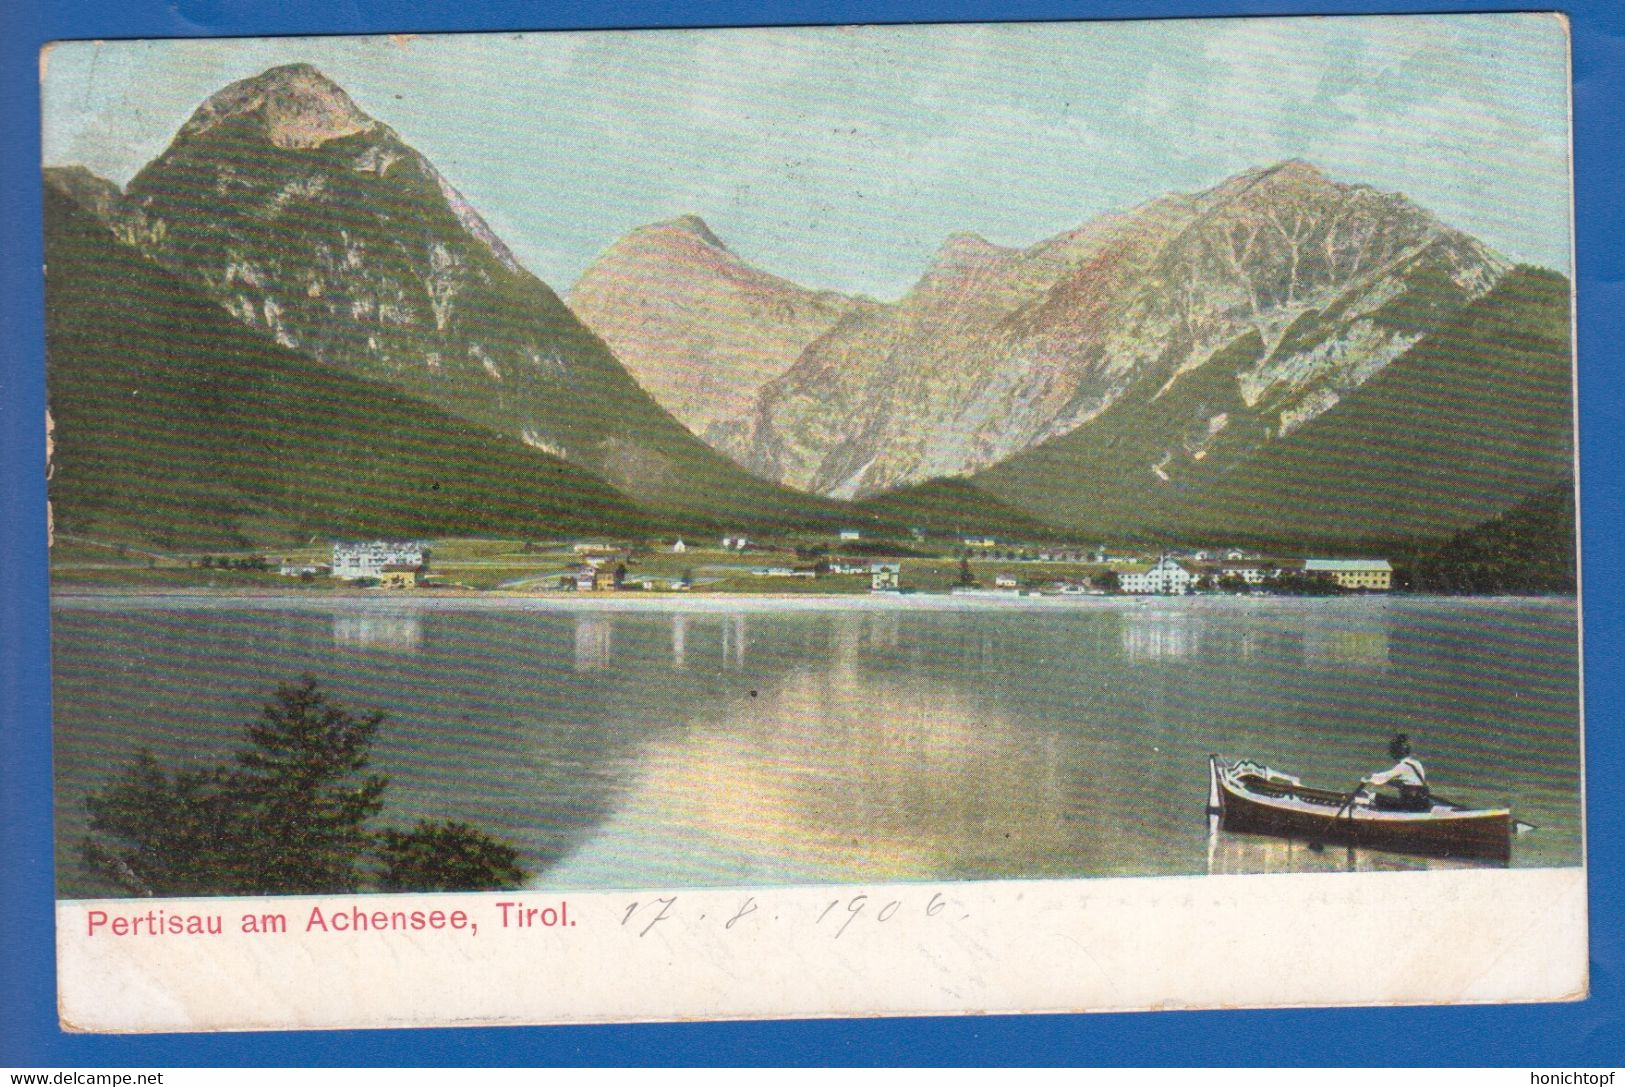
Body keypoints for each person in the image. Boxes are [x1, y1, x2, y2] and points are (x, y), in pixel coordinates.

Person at [1362, 733, 1431, 811]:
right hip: (1422, 803)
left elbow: (1382, 778)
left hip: (1409, 804)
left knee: (1374, 796)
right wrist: (1390, 782)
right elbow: (1412, 782)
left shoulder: (1402, 766)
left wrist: (1370, 778)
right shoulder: (1417, 764)